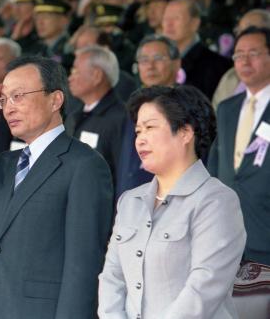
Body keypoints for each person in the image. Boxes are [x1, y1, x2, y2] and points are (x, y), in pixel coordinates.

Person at [0, 56, 114, 319]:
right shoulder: (7, 163)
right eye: (4, 99)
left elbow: (83, 266)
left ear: (55, 100)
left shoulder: (83, 164)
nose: (8, 109)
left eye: (18, 96)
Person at [98, 85, 246, 319]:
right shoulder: (130, 202)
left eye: (150, 127)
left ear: (186, 133)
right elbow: (112, 277)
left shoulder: (217, 201)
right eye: (138, 131)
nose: (140, 139)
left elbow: (204, 287)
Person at [208, 26, 270, 267]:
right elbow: (216, 168)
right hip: (227, 238)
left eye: (253, 53)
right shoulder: (227, 108)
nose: (244, 61)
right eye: (238, 55)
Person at [115, 34, 180, 199]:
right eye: (144, 60)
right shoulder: (133, 105)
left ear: (176, 63)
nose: (150, 66)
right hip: (130, 202)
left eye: (158, 58)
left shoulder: (187, 107)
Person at [66, 45, 127, 183]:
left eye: (75, 71)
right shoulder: (73, 116)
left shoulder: (121, 119)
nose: (70, 78)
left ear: (97, 75)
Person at [162, 0, 232, 99]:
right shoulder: (158, 61)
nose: (169, 24)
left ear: (194, 23)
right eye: (166, 19)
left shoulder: (217, 65)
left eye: (176, 18)